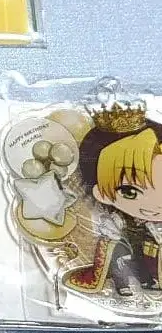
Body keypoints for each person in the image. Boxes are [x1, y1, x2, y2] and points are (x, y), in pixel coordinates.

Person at [63, 108, 162, 296]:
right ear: (101, 194)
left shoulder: (149, 222)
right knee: (119, 255)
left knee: (143, 255)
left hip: (141, 243)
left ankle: (147, 278)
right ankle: (123, 281)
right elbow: (111, 231)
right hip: (121, 241)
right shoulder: (116, 218)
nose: (156, 204)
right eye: (130, 192)